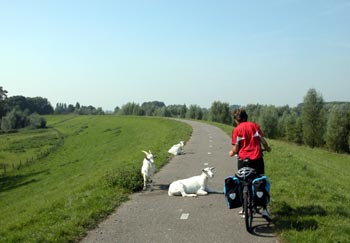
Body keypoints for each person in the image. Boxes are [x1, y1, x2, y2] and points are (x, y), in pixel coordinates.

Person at [228, 108, 272, 221]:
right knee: (261, 181)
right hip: (257, 158)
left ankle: (244, 209)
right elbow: (263, 141)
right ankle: (265, 209)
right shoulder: (255, 126)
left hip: (243, 159)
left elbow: (236, 147)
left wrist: (232, 153)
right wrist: (268, 148)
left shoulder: (237, 129)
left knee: (243, 182)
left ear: (236, 120)